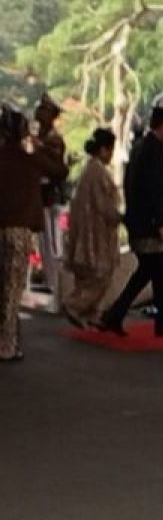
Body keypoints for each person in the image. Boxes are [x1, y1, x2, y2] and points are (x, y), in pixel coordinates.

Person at [100, 93, 163, 337]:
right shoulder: (153, 151)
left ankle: (121, 315)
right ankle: (157, 319)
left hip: (140, 222)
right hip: (149, 224)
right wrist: (160, 221)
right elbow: (153, 190)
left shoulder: (143, 147)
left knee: (151, 271)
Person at [0, 104, 68, 361]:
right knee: (12, 290)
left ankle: (8, 340)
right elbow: (60, 171)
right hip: (19, 230)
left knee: (2, 288)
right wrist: (40, 147)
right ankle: (6, 344)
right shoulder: (29, 158)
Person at [62, 128, 122, 328]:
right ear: (104, 149)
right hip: (95, 234)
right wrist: (119, 216)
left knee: (87, 277)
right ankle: (75, 305)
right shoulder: (97, 172)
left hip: (88, 231)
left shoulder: (90, 169)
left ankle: (91, 313)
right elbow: (104, 205)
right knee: (100, 276)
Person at [31, 93, 68, 309]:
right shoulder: (43, 138)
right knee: (46, 244)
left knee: (54, 245)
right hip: (42, 196)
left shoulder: (52, 139)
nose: (38, 114)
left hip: (51, 196)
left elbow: (54, 169)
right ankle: (51, 283)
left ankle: (58, 287)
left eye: (42, 111)